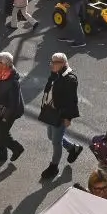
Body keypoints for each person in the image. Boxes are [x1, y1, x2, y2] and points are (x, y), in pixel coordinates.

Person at [38, 53, 84, 183]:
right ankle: (73, 148)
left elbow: (72, 100)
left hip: (61, 114)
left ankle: (54, 167)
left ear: (63, 63)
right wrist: (52, 77)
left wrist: (68, 117)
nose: (51, 64)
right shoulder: (56, 74)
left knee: (55, 142)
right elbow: (48, 90)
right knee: (51, 136)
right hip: (52, 111)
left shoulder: (70, 79)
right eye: (51, 61)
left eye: (55, 62)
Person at [0, 52, 25, 165]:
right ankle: (2, 154)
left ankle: (17, 148)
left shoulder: (13, 83)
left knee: (2, 134)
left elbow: (13, 104)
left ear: (5, 65)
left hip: (8, 112)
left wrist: (5, 118)